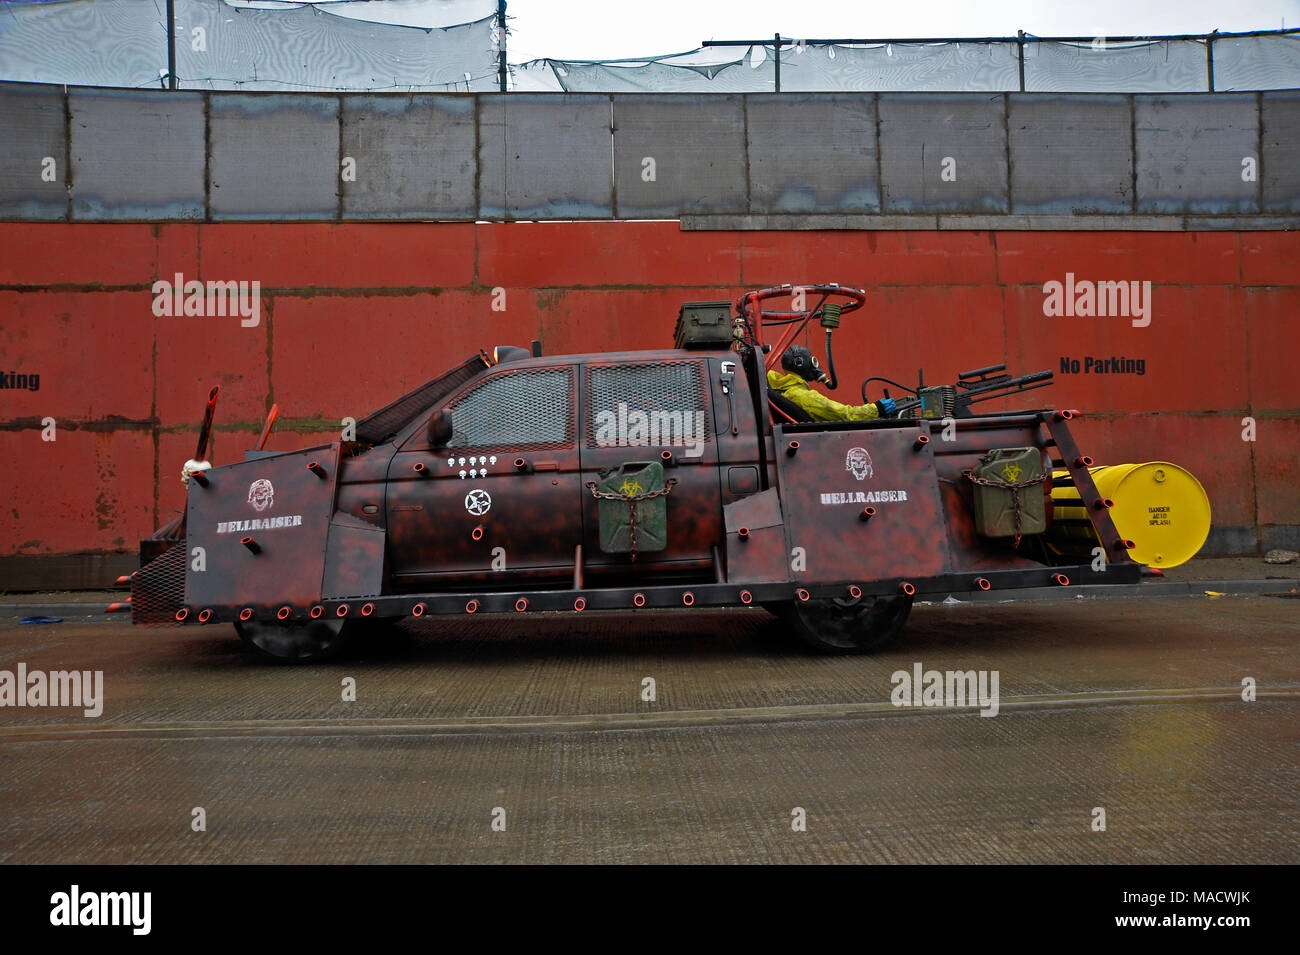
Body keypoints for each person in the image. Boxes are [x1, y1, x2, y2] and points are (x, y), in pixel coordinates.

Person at [767, 345, 897, 421]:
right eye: (813, 361)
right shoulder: (804, 396)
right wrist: (877, 408)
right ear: (801, 364)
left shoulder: (779, 389)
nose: (815, 366)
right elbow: (845, 415)